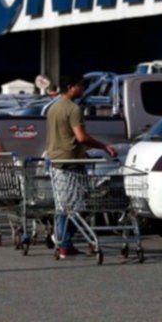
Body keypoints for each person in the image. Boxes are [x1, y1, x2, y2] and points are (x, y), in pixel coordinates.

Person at [45, 77, 116, 257]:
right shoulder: (73, 109)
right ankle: (64, 242)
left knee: (63, 205)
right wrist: (104, 146)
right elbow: (81, 137)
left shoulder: (53, 107)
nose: (83, 89)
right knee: (77, 205)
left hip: (55, 160)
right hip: (70, 161)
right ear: (71, 87)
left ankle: (62, 241)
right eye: (80, 86)